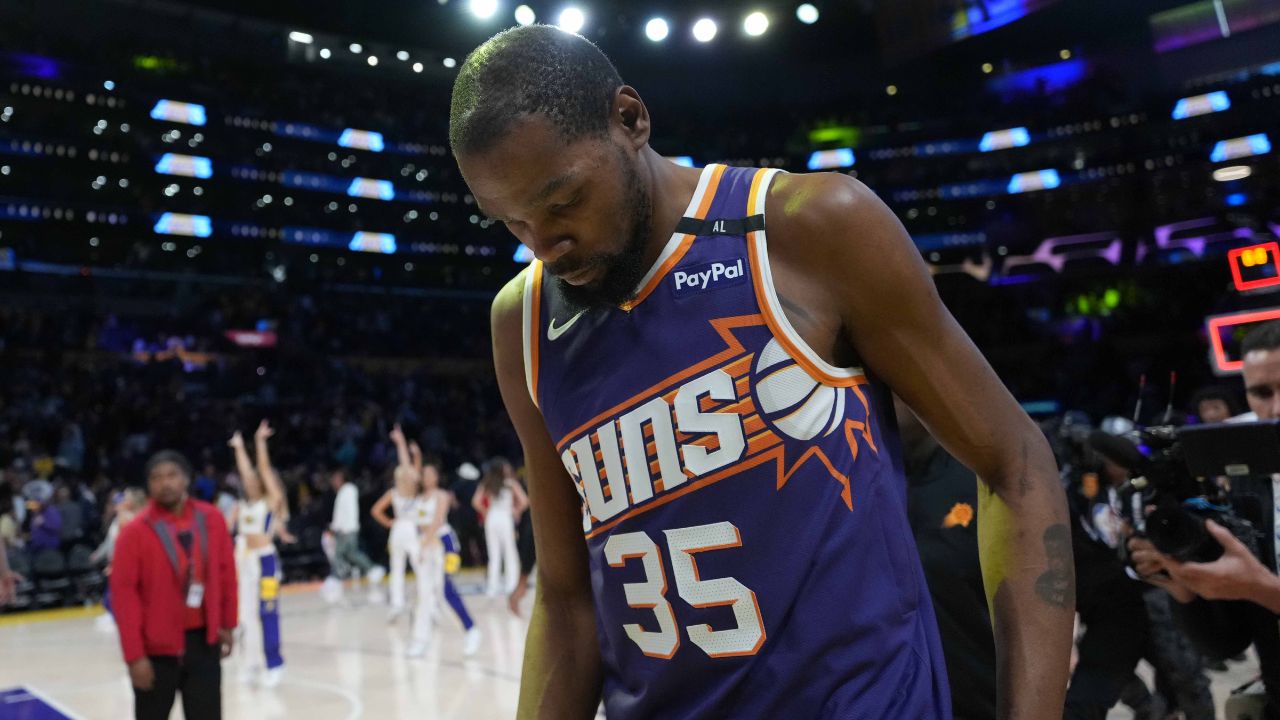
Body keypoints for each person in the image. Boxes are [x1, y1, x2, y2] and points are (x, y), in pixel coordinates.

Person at [456, 25, 1072, 719]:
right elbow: (568, 602)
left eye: (562, 202)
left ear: (629, 119)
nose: (543, 245)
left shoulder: (809, 228)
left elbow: (1016, 464)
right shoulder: (524, 323)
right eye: (509, 222)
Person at [1131, 320, 1280, 716]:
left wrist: (1264, 590)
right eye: (1262, 393)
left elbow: (1264, 593)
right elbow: (1225, 643)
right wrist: (1183, 583)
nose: (1276, 408)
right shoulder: (1251, 483)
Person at [109, 450, 237, 720]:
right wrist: (134, 657)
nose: (165, 483)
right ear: (148, 485)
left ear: (186, 479)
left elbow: (226, 574)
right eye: (156, 478)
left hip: (203, 643)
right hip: (155, 650)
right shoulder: (134, 533)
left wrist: (226, 623)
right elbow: (124, 598)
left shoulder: (212, 519)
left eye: (172, 475)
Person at [894, 396, 997, 720]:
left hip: (979, 704)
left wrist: (1081, 703)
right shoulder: (841, 484)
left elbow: (1107, 593)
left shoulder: (989, 481)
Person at [227, 422, 288, 687]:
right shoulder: (243, 504)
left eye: (256, 479)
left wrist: (259, 442)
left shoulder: (271, 500)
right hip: (244, 559)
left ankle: (275, 663)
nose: (250, 480)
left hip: (265, 560)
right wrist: (239, 447)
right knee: (245, 615)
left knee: (268, 611)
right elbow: (246, 470)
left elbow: (261, 469)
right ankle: (251, 663)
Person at [371, 423, 425, 621]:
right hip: (409, 528)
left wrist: (390, 523)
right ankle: (422, 602)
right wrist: (402, 444)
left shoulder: (400, 491)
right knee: (417, 567)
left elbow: (375, 511)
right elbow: (375, 511)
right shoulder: (404, 491)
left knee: (398, 569)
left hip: (400, 528)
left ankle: (397, 605)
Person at [325, 467, 385, 603]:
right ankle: (372, 569)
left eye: (336, 478)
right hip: (343, 529)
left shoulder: (349, 490)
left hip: (348, 529)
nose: (334, 481)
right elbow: (339, 513)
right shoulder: (343, 492)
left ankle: (335, 580)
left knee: (339, 554)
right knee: (351, 553)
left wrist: (342, 528)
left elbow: (349, 512)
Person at [91, 488, 147, 632]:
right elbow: (112, 542)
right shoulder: (122, 518)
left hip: (126, 561)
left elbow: (124, 544)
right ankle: (115, 615)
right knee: (115, 591)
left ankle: (119, 616)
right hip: (120, 560)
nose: (119, 502)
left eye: (124, 499)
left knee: (120, 591)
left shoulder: (128, 518)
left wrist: (115, 563)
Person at [472, 457, 527, 598]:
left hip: (492, 518)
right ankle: (511, 585)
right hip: (505, 517)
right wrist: (516, 511)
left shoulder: (487, 483)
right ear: (502, 469)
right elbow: (525, 501)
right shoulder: (510, 483)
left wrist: (486, 512)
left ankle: (492, 587)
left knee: (493, 553)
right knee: (510, 551)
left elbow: (475, 502)